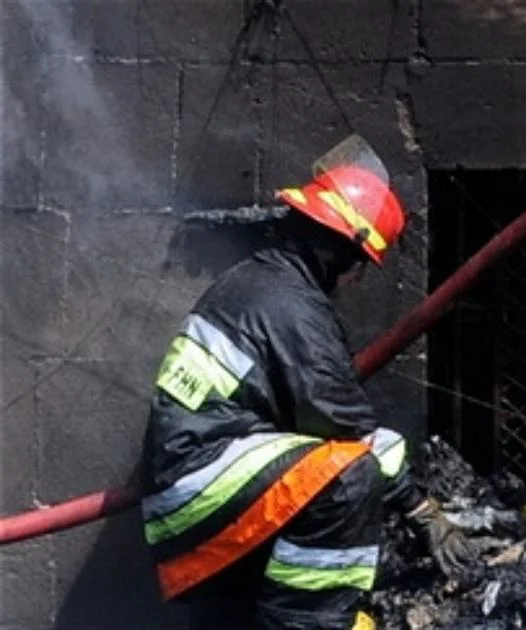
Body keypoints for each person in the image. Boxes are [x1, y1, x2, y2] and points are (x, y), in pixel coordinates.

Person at [139, 135, 473, 630]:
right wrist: (421, 509)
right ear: (341, 251)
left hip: (191, 489)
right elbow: (350, 433)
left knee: (315, 476)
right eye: (361, 265)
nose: (357, 279)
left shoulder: (259, 284)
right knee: (349, 476)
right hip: (202, 487)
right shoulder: (292, 309)